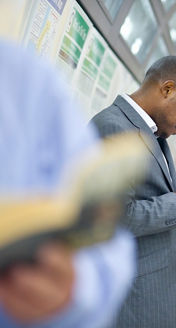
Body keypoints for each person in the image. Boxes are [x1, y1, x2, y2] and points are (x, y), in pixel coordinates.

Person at [0, 39, 135, 328]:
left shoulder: (23, 81)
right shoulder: (112, 124)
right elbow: (132, 213)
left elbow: (106, 242)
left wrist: (72, 288)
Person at [90, 56, 176, 328]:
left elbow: (146, 202)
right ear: (168, 89)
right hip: (142, 303)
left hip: (165, 294)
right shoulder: (113, 127)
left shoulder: (153, 135)